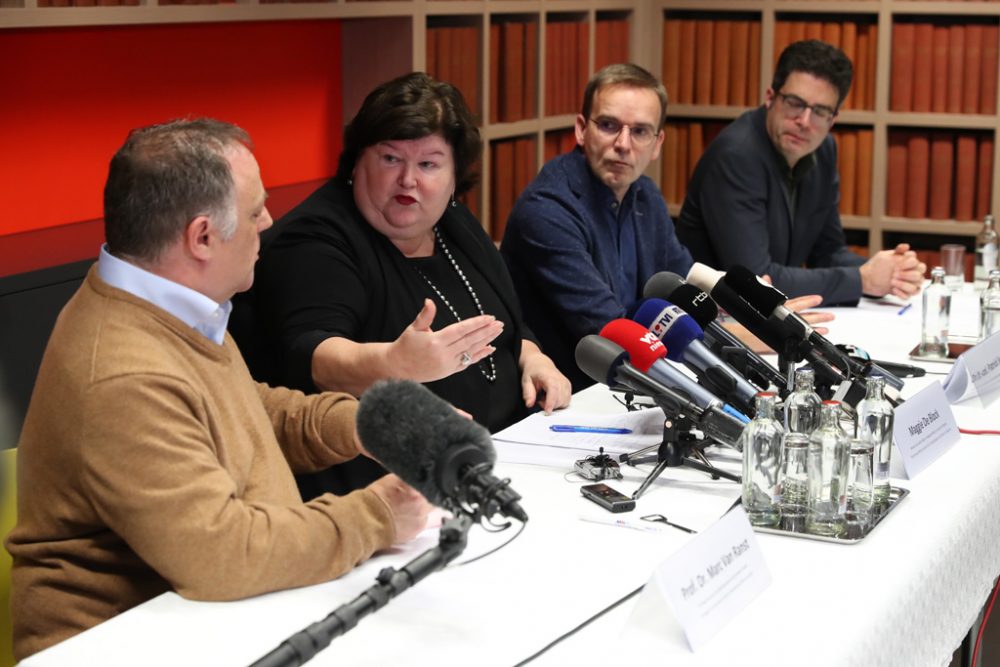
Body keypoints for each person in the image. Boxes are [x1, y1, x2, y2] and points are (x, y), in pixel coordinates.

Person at [5, 119, 432, 661]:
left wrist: (371, 424)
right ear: (202, 237)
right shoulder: (124, 370)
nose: (269, 222)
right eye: (256, 212)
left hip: (207, 621)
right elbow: (223, 553)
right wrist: (378, 516)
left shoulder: (169, 303)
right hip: (126, 644)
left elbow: (248, 412)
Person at [235, 72, 571, 498]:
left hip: (501, 465)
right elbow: (312, 356)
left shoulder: (452, 223)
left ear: (454, 177)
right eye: (391, 159)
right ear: (357, 162)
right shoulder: (314, 240)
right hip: (386, 492)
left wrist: (533, 357)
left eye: (429, 164)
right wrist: (394, 363)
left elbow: (504, 320)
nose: (409, 181)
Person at [501, 63, 832, 391]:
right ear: (580, 129)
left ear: (657, 144)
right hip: (569, 400)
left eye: (640, 131)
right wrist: (737, 338)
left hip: (629, 390)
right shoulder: (547, 210)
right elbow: (615, 329)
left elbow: (686, 288)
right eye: (608, 125)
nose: (623, 143)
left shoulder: (645, 195)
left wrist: (755, 313)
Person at [676, 40, 926, 305]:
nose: (804, 122)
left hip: (768, 317)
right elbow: (755, 279)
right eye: (795, 103)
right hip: (711, 319)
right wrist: (862, 279)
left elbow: (827, 252)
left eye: (819, 111)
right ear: (770, 97)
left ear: (833, 119)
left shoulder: (823, 148)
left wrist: (890, 272)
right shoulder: (736, 155)